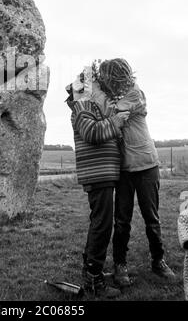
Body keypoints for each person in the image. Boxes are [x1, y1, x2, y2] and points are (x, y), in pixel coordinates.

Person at [96, 58, 176, 287]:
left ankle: (158, 261)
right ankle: (120, 265)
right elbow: (106, 113)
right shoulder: (114, 98)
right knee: (122, 221)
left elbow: (110, 111)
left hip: (147, 165)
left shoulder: (135, 93)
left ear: (115, 76)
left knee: (151, 218)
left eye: (106, 76)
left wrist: (95, 90)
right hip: (124, 169)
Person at [66, 69, 129, 298]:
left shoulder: (90, 106)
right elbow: (91, 133)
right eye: (96, 85)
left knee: (99, 223)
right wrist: (116, 121)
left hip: (103, 173)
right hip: (97, 174)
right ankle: (94, 279)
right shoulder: (82, 105)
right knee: (102, 226)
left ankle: (90, 271)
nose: (99, 89)